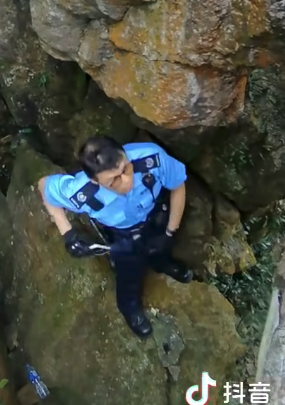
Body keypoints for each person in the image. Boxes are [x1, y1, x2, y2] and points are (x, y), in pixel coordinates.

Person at [37, 135, 192, 339]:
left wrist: (170, 231)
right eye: (114, 180)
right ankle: (129, 308)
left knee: (161, 245)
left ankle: (161, 261)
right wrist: (67, 233)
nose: (126, 181)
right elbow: (43, 186)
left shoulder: (151, 158)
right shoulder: (82, 191)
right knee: (129, 272)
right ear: (95, 180)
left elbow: (178, 185)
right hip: (123, 233)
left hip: (155, 215)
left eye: (125, 169)